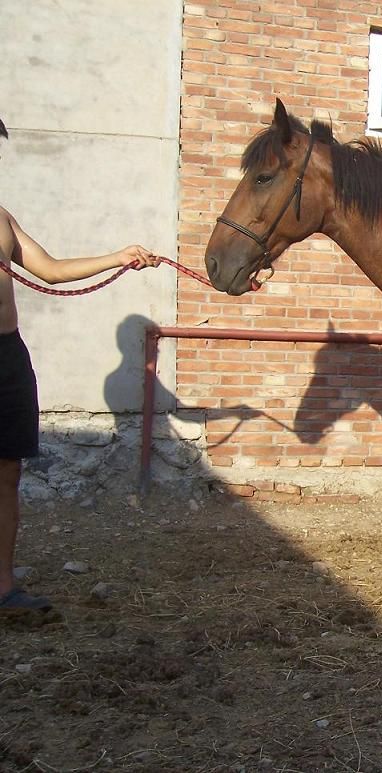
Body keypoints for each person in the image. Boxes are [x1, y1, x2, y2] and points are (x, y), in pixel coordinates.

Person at [0, 116, 161, 614]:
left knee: (7, 471)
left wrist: (118, 257)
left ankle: (3, 587)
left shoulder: (1, 217)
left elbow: (49, 269)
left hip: (7, 354)